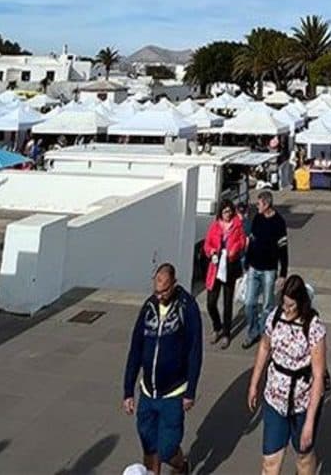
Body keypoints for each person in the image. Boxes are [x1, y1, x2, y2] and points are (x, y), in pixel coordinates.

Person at [123, 263, 203, 475]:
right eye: (156, 291)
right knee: (149, 446)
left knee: (167, 449)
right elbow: (136, 348)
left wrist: (190, 391)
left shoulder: (187, 307)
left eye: (164, 291)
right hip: (148, 392)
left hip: (173, 393)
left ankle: (181, 464)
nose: (159, 296)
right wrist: (128, 390)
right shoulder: (148, 308)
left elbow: (195, 351)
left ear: (174, 284)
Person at [248, 274, 328, 475]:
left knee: (303, 457)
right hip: (275, 400)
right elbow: (264, 348)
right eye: (284, 303)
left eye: (291, 305)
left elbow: (318, 376)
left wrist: (309, 423)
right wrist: (254, 383)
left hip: (302, 402)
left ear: (301, 302)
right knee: (270, 463)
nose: (287, 309)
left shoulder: (314, 327)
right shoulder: (275, 318)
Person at [243, 191, 289, 350]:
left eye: (259, 203)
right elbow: (252, 240)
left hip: (269, 269)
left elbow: (283, 248)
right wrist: (247, 262)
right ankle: (253, 330)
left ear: (267, 204)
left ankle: (264, 334)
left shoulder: (279, 222)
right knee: (249, 303)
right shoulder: (257, 218)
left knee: (267, 305)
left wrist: (283, 273)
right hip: (254, 267)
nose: (257, 206)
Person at [204, 200, 247, 349]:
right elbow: (207, 244)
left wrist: (235, 248)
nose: (228, 215)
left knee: (227, 303)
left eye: (230, 211)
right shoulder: (215, 226)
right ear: (220, 213)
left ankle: (226, 334)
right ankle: (218, 327)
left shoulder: (237, 225)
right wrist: (211, 252)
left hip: (230, 266)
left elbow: (242, 241)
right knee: (211, 302)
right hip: (216, 266)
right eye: (225, 212)